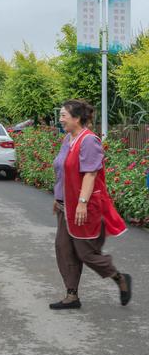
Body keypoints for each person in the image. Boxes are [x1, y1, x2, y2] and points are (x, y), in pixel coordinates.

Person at [50, 99, 131, 310]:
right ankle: (71, 295)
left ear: (76, 118)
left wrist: (82, 203)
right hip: (65, 206)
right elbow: (62, 170)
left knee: (86, 253)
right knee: (64, 249)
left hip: (83, 207)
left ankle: (119, 277)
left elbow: (91, 173)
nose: (60, 120)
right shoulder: (68, 138)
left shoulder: (88, 141)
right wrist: (57, 198)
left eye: (63, 116)